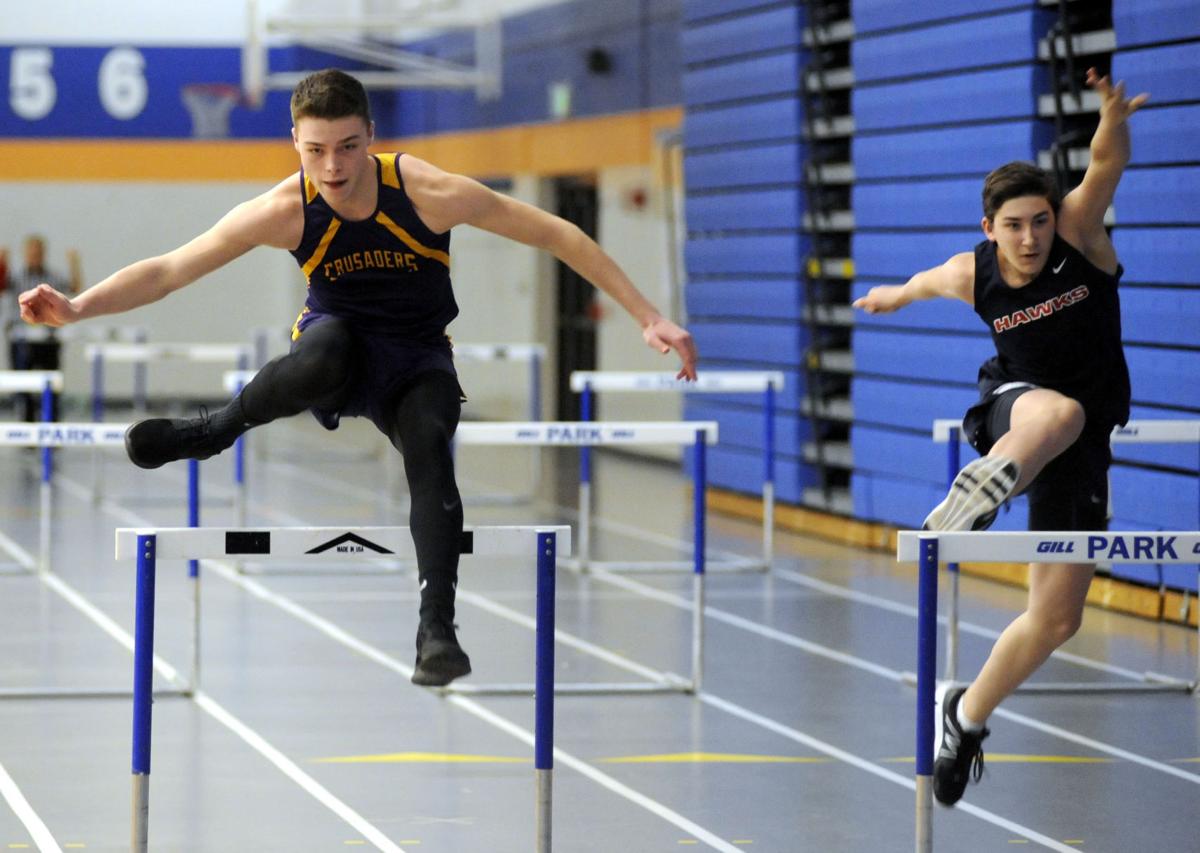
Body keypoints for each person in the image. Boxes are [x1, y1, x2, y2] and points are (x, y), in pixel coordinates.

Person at [18, 68, 697, 687]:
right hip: (335, 348)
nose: (333, 167)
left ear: (371, 135)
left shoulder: (428, 194)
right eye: (315, 151)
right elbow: (170, 269)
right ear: (295, 144)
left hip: (417, 357)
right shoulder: (286, 209)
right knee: (323, 350)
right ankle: (214, 429)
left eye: (347, 147)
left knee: (431, 445)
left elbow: (557, 234)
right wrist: (78, 307)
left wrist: (647, 315)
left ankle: (437, 628)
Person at [853, 68, 1148, 806]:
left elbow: (1104, 164)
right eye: (1012, 226)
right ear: (989, 229)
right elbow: (922, 281)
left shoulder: (1079, 236)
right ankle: (981, 487)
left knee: (1056, 618)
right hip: (1011, 412)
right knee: (1056, 413)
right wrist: (889, 295)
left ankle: (965, 715)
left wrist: (1109, 115)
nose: (1027, 237)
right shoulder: (971, 272)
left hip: (1077, 447)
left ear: (1055, 218)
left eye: (1038, 222)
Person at [1, 235, 81, 420]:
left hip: (47, 339)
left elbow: (74, 287)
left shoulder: (52, 277)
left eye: (38, 252)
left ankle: (51, 428)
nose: (35, 255)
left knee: (51, 386)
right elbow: (2, 286)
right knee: (22, 387)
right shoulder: (15, 276)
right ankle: (27, 428)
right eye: (31, 252)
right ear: (25, 253)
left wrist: (74, 263)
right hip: (21, 339)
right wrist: (2, 262)